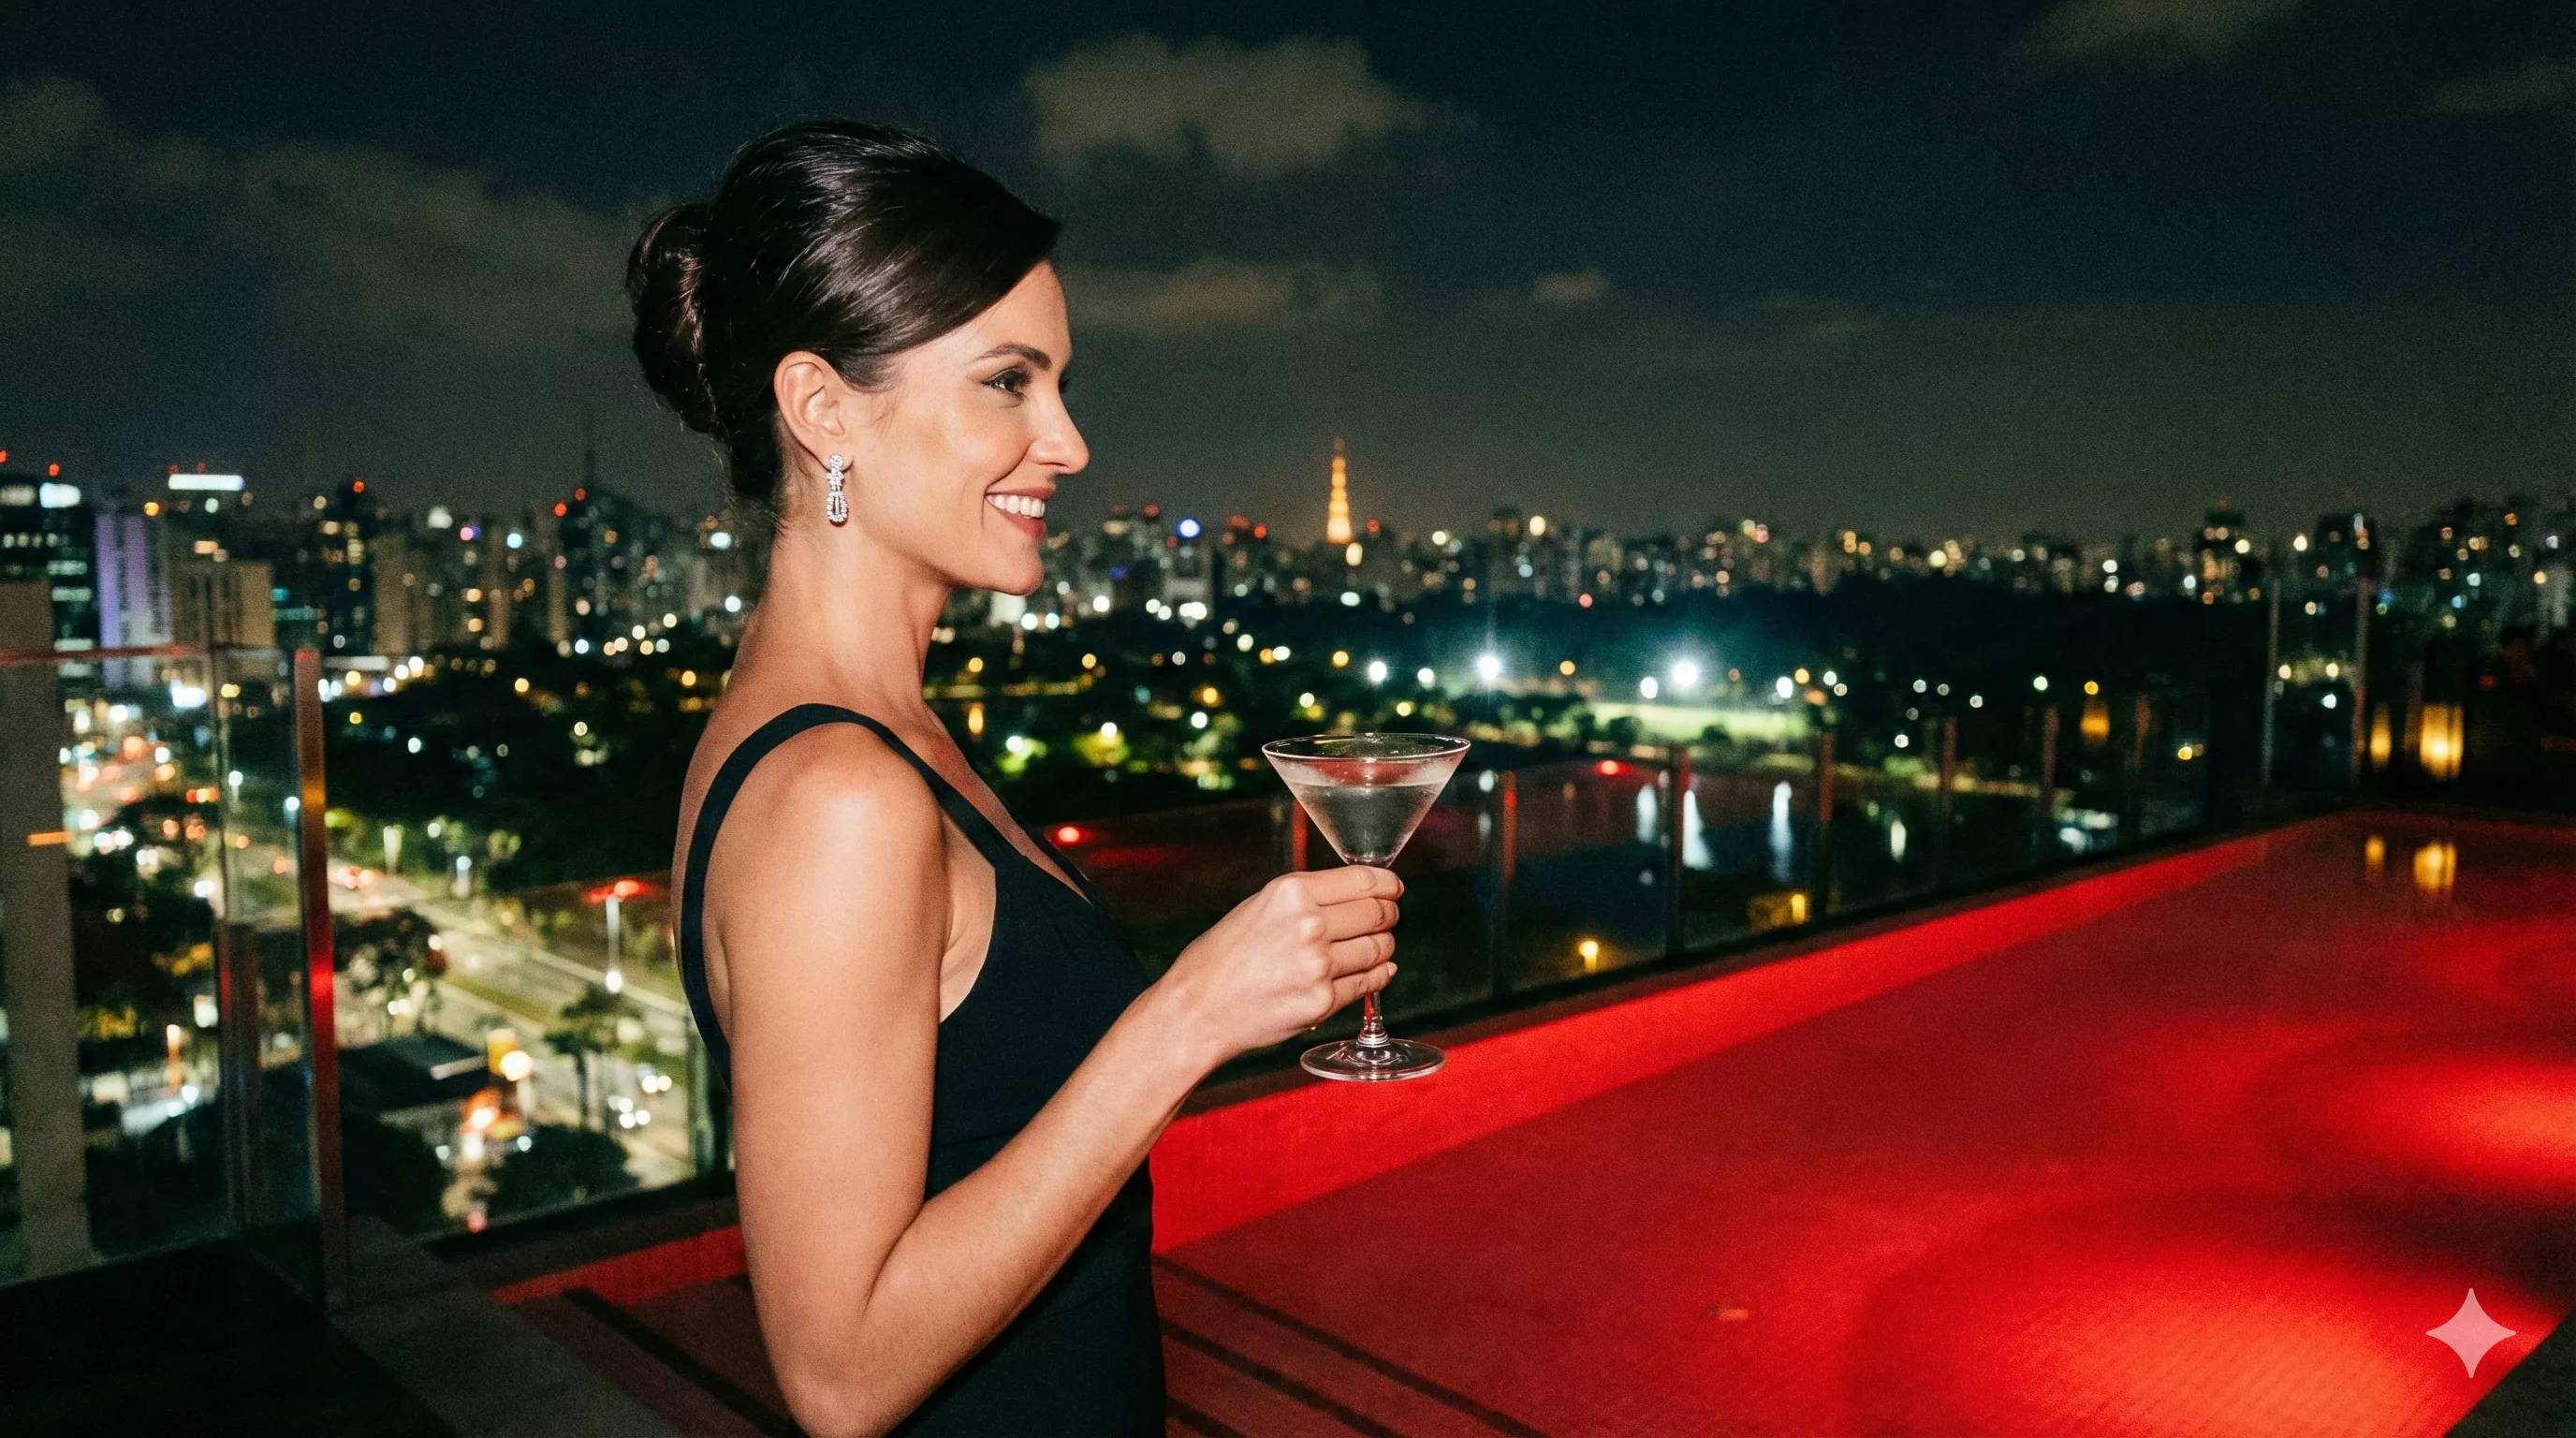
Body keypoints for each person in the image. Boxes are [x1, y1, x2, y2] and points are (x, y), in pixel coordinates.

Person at [630, 123, 1405, 1437]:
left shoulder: (872, 729)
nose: (1069, 441)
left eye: (1058, 383)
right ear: (824, 412)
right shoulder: (840, 795)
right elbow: (839, 1373)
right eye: (1009, 382)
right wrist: (1184, 1022)